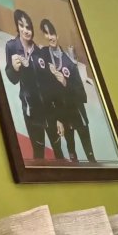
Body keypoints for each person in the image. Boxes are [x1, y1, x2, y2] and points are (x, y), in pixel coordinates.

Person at [4, 10, 64, 160]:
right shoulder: (11, 46)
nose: (26, 30)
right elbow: (13, 79)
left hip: (49, 112)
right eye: (22, 26)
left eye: (29, 27)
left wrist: (58, 117)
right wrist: (14, 68)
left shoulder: (39, 52)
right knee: (38, 153)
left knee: (58, 152)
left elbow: (50, 86)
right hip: (32, 113)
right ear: (17, 27)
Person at [39, 19, 96, 162]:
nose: (50, 37)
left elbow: (82, 95)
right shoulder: (45, 55)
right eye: (46, 33)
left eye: (52, 33)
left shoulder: (69, 62)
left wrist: (65, 83)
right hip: (62, 114)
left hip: (77, 111)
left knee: (90, 155)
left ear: (57, 35)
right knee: (72, 154)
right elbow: (46, 89)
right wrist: (57, 118)